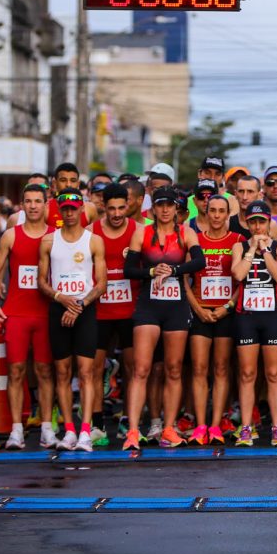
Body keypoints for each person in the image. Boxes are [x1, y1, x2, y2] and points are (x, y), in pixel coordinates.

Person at [122, 187, 204, 449]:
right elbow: (128, 270)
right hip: (149, 305)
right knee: (141, 369)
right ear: (153, 208)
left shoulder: (185, 233)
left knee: (174, 369)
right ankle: (133, 431)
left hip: (175, 307)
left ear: (177, 209)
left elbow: (199, 262)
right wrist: (152, 271)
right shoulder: (142, 233)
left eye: (170, 205)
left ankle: (168, 428)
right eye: (161, 205)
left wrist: (173, 270)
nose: (166, 210)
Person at [0, 184, 58, 449]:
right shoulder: (10, 235)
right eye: (27, 201)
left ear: (45, 204)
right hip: (17, 312)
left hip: (45, 313)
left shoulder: (55, 235)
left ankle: (47, 428)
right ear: (22, 205)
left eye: (38, 201)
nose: (32, 206)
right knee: (16, 370)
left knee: (44, 371)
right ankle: (17, 429)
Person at [36, 190, 107, 452]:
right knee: (62, 373)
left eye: (73, 209)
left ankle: (86, 431)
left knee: (86, 372)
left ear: (81, 210)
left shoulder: (94, 241)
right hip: (58, 310)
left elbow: (101, 284)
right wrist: (59, 297)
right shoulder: (48, 241)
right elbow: (41, 281)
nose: (69, 213)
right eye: (64, 209)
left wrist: (78, 305)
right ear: (59, 211)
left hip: (84, 309)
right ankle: (69, 430)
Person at [226, 200, 277, 446]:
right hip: (247, 316)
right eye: (252, 222)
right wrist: (251, 250)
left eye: (261, 221)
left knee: (274, 373)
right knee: (247, 373)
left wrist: (265, 251)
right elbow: (239, 274)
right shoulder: (239, 246)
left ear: (268, 222)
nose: (257, 227)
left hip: (272, 315)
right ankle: (245, 427)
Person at [186, 194, 242, 445]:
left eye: (222, 211)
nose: (217, 216)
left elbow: (245, 279)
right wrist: (197, 308)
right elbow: (183, 279)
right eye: (213, 211)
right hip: (201, 311)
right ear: (205, 213)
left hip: (224, 313)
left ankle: (216, 424)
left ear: (228, 214)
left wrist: (228, 306)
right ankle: (200, 425)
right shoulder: (195, 240)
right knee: (199, 369)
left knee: (221, 369)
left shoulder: (238, 240)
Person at [89, 183, 139, 447]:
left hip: (130, 310)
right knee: (95, 368)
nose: (117, 214)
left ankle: (127, 420)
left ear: (128, 205)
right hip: (100, 309)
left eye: (122, 208)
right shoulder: (91, 232)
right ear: (104, 208)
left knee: (133, 368)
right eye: (112, 209)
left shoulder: (138, 231)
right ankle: (97, 424)